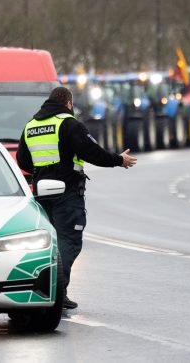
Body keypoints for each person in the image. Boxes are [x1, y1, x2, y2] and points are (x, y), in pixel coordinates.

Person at [15, 86, 137, 311]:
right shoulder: (69, 124)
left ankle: (52, 290)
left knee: (48, 244)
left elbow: (22, 160)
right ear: (68, 103)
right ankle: (56, 291)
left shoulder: (30, 126)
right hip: (67, 192)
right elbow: (91, 152)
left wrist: (43, 172)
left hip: (41, 192)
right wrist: (118, 160)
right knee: (69, 240)